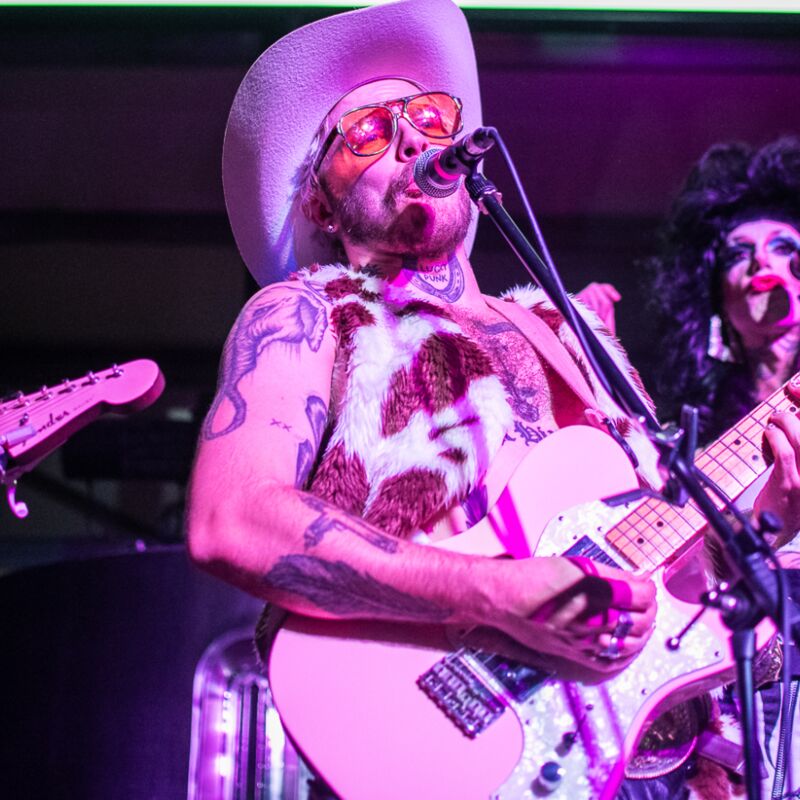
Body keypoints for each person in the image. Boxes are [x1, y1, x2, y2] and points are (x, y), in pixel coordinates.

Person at [186, 1, 798, 796]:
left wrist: (769, 518)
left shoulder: (577, 338)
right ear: (318, 204)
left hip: (646, 760)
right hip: (442, 738)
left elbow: (667, 561)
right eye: (368, 133)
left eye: (430, 115)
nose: (412, 138)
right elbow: (228, 519)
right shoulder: (309, 312)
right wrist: (497, 593)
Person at [648, 136, 800, 799]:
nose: (764, 264)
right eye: (740, 254)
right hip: (720, 708)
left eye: (787, 248)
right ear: (715, 296)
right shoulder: (679, 435)